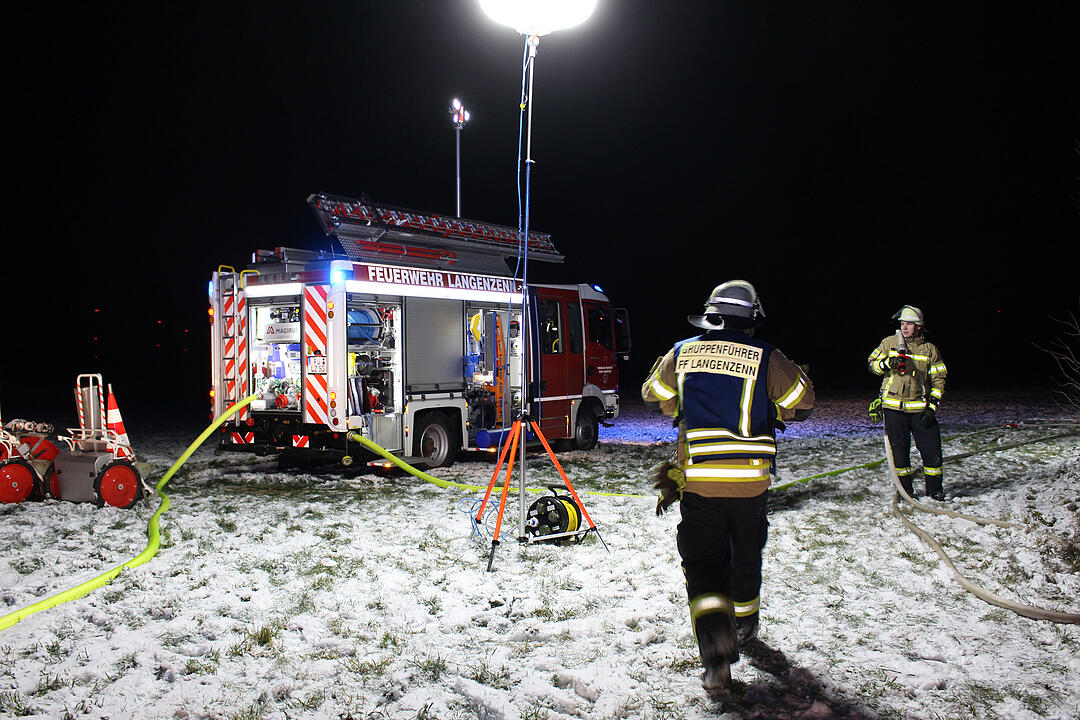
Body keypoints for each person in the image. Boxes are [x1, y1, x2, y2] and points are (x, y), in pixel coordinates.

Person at [641, 280, 815, 696]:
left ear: (709, 315)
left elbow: (653, 395)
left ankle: (716, 657)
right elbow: (803, 401)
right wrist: (774, 405)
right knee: (746, 555)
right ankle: (745, 621)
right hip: (750, 485)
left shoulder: (682, 351)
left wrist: (679, 402)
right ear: (751, 320)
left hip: (699, 482)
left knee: (703, 569)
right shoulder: (767, 356)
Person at [867, 305, 948, 500]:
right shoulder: (889, 343)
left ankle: (935, 491)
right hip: (894, 408)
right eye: (902, 324)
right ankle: (905, 492)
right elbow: (872, 364)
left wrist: (932, 407)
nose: (904, 328)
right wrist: (887, 364)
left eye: (909, 324)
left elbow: (939, 379)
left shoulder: (930, 350)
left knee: (931, 451)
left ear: (919, 327)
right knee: (900, 452)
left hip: (920, 409)